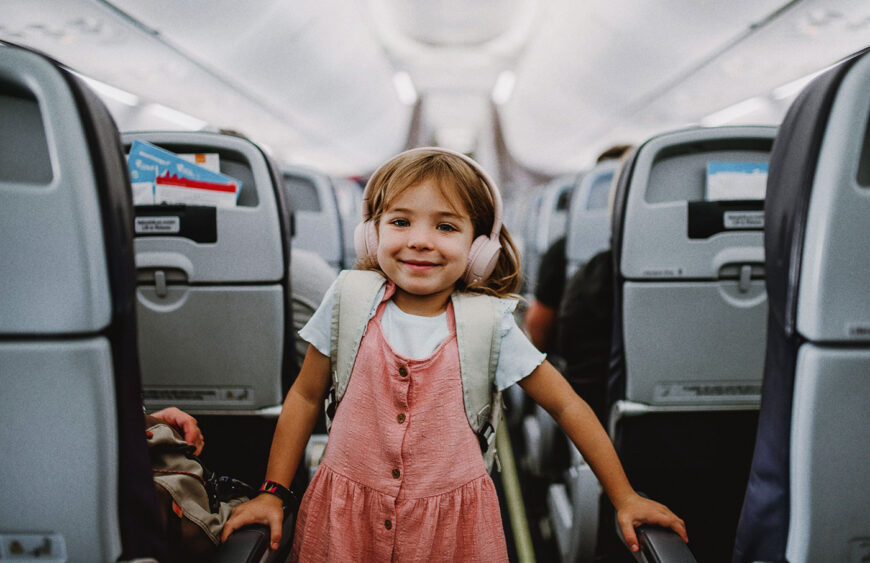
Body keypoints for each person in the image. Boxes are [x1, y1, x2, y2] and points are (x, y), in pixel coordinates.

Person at [221, 147, 687, 559]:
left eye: (445, 226)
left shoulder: (490, 323)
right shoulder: (347, 298)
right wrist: (272, 492)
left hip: (451, 530)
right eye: (400, 222)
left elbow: (567, 406)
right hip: (345, 519)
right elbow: (304, 398)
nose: (420, 239)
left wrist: (624, 497)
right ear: (372, 233)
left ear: (479, 247)